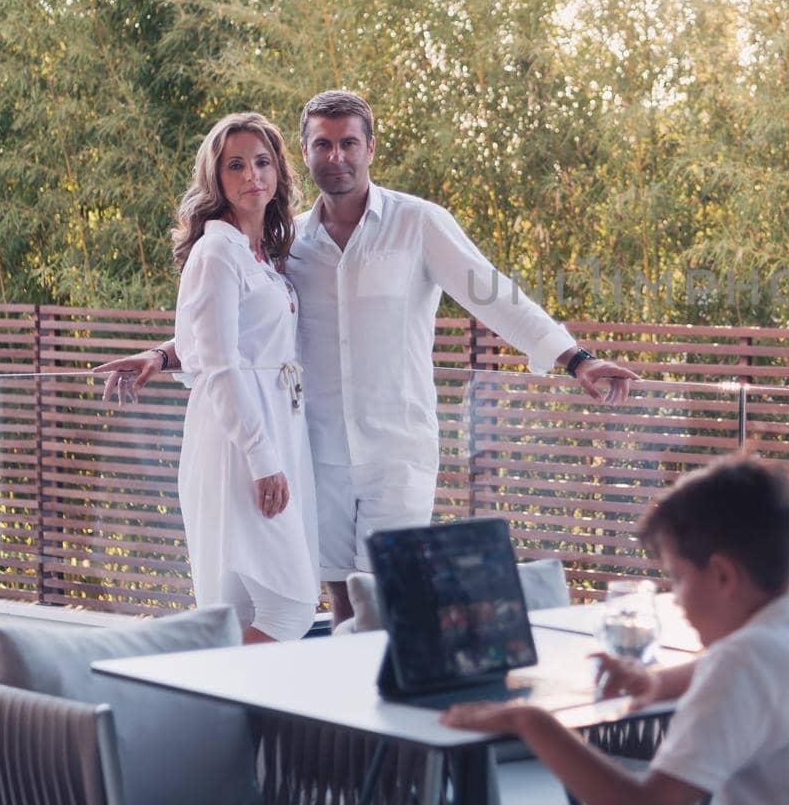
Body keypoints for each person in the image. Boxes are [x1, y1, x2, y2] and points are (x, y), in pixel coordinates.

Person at [101, 90, 637, 626]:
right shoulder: (288, 240)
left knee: (388, 606)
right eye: (322, 145)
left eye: (349, 143)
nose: (337, 157)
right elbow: (248, 330)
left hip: (397, 451)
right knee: (340, 605)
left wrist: (576, 359)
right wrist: (163, 355)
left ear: (371, 147)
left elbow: (492, 294)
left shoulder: (418, 224)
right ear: (305, 156)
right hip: (317, 450)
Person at [441, 455, 789, 805]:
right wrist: (657, 684)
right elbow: (728, 666)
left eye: (678, 577)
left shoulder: (745, 663)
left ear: (724, 577)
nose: (677, 598)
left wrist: (532, 722)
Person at [170, 112, 319, 644]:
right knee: (291, 606)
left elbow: (210, 341)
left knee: (235, 610)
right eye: (236, 165)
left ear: (278, 171)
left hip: (277, 428)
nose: (252, 174)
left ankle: (225, 725)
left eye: (262, 161)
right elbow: (217, 361)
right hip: (240, 443)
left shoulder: (262, 256)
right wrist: (261, 458)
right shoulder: (216, 251)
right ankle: (192, 710)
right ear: (217, 178)